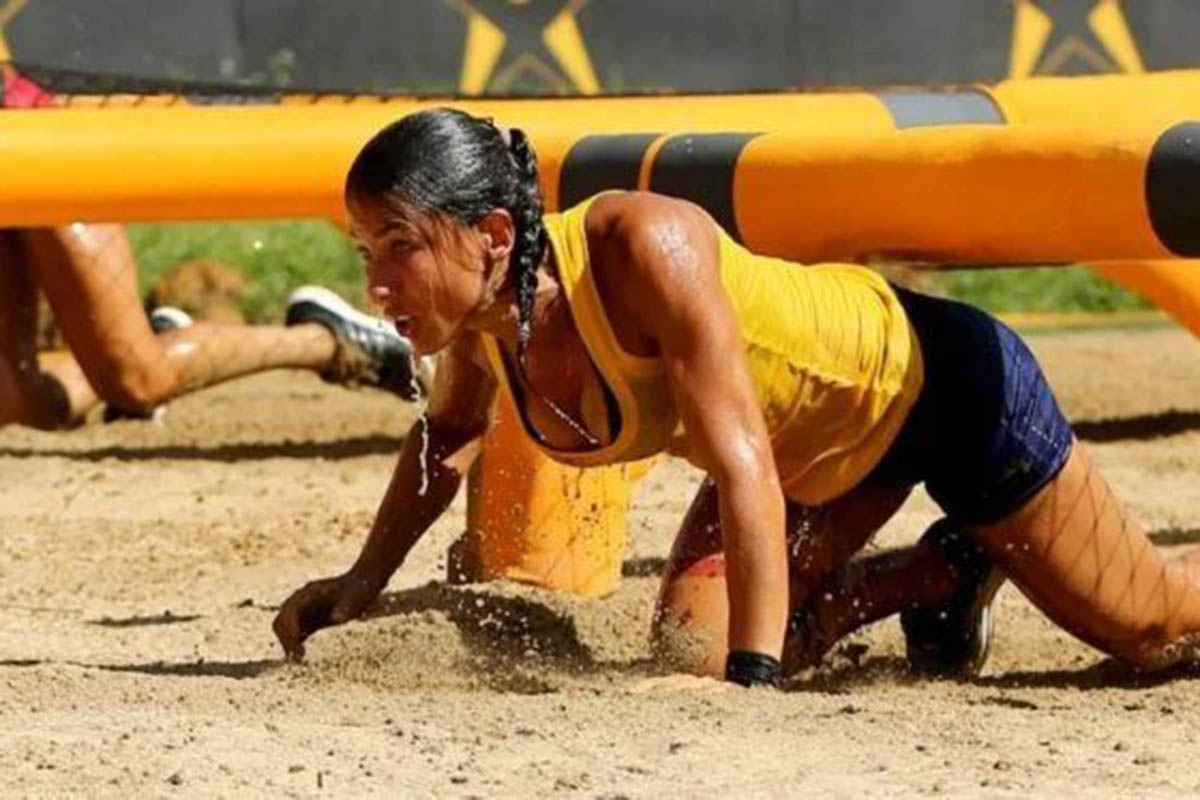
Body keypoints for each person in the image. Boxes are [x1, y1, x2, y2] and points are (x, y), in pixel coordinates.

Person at [273, 107, 1200, 687]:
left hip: (946, 391)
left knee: (1154, 634)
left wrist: (754, 683)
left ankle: (974, 568)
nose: (377, 286)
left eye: (401, 246)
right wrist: (362, 583)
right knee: (692, 656)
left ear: (494, 235)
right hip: (811, 464)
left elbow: (743, 461)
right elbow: (444, 440)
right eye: (366, 252)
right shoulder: (480, 319)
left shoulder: (643, 248)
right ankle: (938, 575)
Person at [0, 222, 424, 430]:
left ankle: (326, 340)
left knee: (140, 380)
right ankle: (153, 342)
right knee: (27, 410)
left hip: (31, 137)